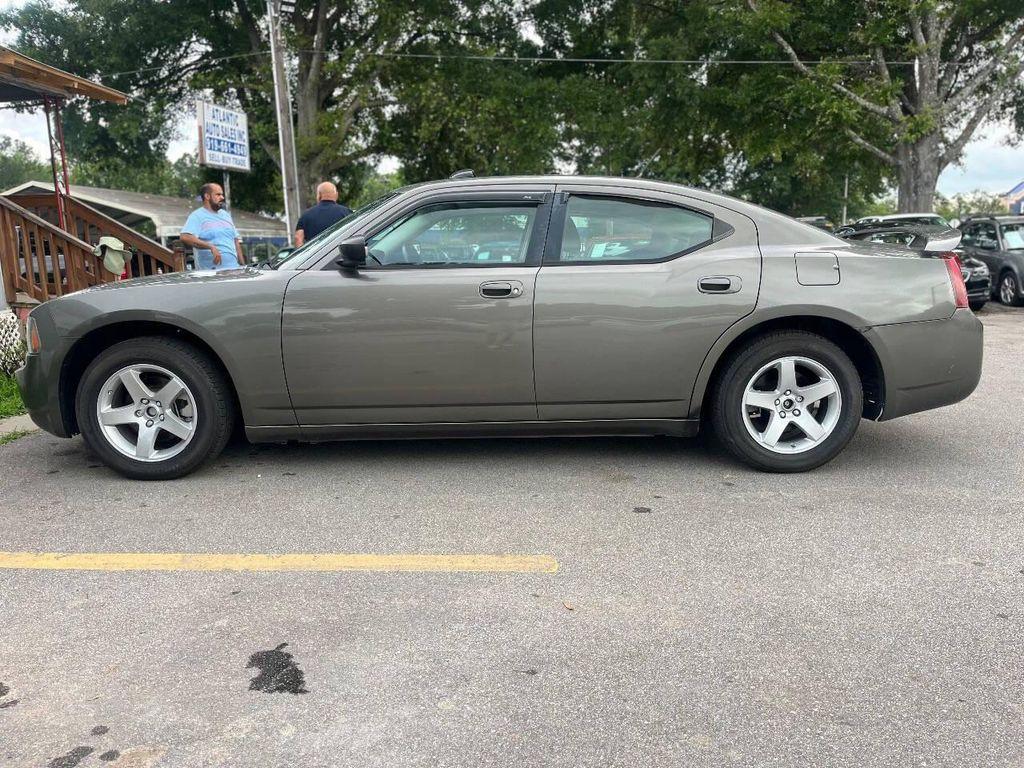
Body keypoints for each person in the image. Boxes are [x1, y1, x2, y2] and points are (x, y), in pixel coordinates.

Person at [180, 183, 246, 270]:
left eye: (222, 194)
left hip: (235, 270)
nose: (222, 197)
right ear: (207, 196)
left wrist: (243, 266)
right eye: (218, 194)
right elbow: (185, 237)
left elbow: (235, 241)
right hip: (212, 276)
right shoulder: (197, 215)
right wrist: (210, 246)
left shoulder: (226, 215)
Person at [294, 181, 352, 246]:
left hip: (316, 255)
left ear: (319, 195)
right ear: (336, 195)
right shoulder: (347, 213)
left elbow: (298, 238)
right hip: (340, 254)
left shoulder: (306, 215)